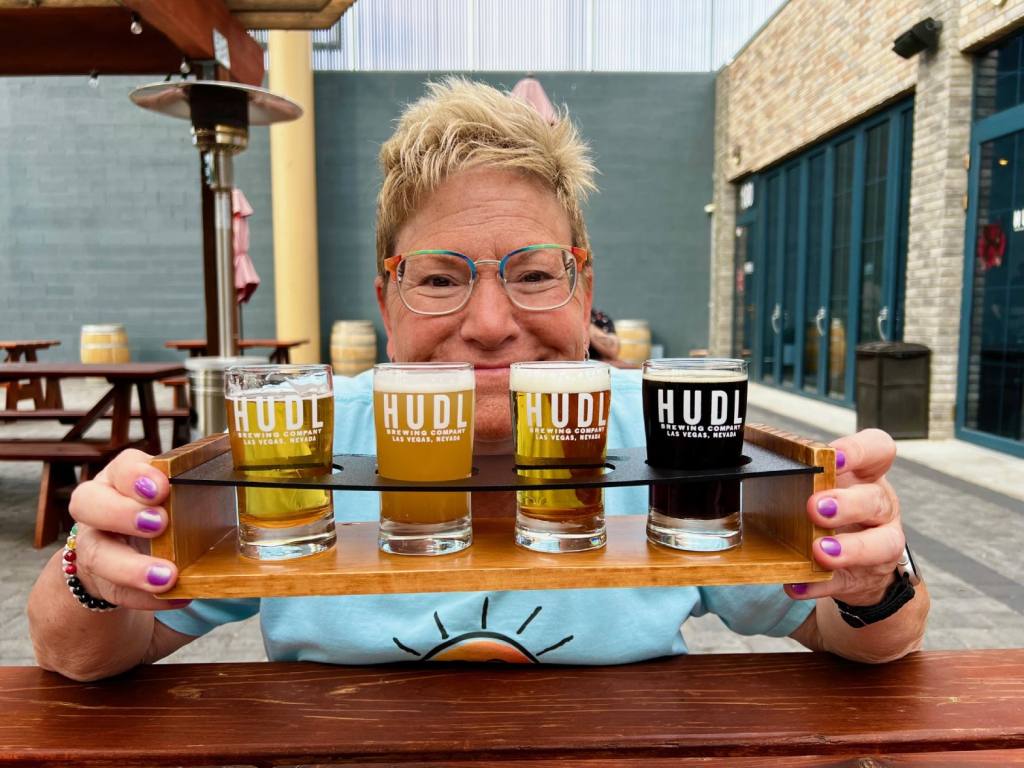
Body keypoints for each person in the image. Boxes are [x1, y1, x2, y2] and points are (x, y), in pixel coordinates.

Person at [28, 79, 928, 680]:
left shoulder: (671, 426)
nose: (492, 323)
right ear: (387, 299)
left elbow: (866, 637)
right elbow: (77, 654)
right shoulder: (298, 436)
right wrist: (92, 573)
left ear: (585, 291)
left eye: (534, 273)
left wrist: (872, 572)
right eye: (440, 276)